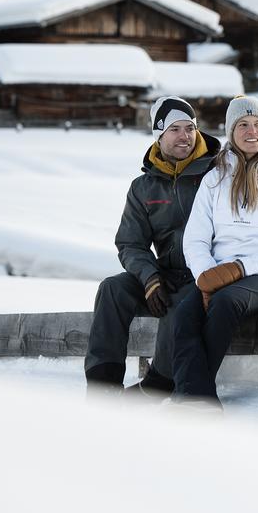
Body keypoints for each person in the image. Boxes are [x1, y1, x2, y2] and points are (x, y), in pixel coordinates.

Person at [172, 95, 258, 407]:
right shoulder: (214, 180)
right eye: (243, 125)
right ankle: (197, 399)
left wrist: (239, 268)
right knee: (185, 312)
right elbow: (195, 239)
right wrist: (206, 276)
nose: (252, 131)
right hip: (216, 275)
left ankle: (191, 398)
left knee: (225, 302)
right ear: (231, 132)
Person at [84, 96, 221, 397]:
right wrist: (149, 277)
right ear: (158, 135)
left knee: (180, 305)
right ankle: (102, 386)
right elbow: (130, 242)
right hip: (166, 273)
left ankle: (158, 384)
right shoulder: (143, 187)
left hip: (205, 274)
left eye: (190, 128)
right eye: (174, 129)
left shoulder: (216, 174)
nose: (184, 136)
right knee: (112, 289)